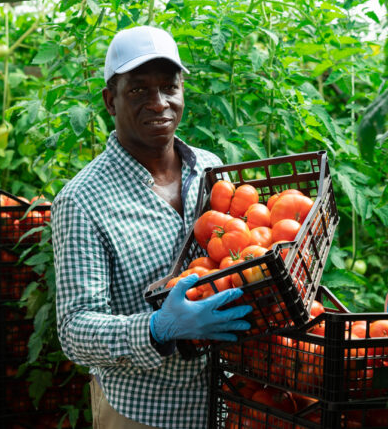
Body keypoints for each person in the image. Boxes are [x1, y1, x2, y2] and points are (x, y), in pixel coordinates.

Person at [51, 25, 252, 429]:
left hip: (228, 401)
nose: (158, 103)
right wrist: (158, 328)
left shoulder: (211, 169)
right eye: (138, 90)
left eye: (168, 87)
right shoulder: (82, 200)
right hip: (146, 412)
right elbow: (75, 329)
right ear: (111, 100)